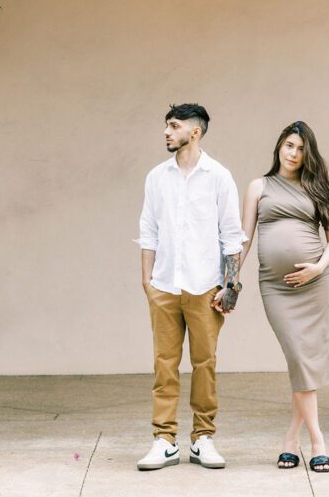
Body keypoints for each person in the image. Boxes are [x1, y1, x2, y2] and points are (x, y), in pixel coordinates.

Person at [136, 103, 245, 471]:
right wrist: (147, 281)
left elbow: (232, 237)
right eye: (166, 125)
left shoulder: (219, 176)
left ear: (194, 132)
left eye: (174, 125)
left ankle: (203, 438)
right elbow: (148, 231)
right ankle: (164, 440)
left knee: (204, 364)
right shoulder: (157, 177)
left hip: (204, 287)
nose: (167, 132)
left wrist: (230, 287)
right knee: (164, 365)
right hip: (165, 285)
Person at [239, 121, 329, 474]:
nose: (293, 154)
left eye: (300, 149)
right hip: (277, 287)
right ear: (279, 145)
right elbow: (245, 238)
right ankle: (318, 440)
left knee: (303, 363)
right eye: (289, 145)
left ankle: (294, 441)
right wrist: (231, 279)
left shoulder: (319, 189)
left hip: (313, 285)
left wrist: (317, 268)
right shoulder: (259, 186)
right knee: (299, 357)